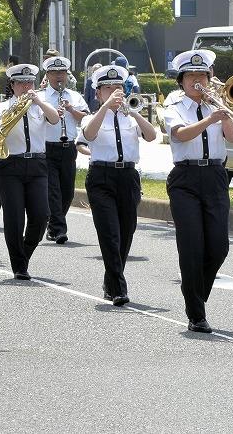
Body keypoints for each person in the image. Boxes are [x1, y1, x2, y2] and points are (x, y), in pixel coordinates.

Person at [162, 49, 233, 333]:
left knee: (219, 247)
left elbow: (232, 136)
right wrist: (209, 119)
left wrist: (224, 113)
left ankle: (196, 297)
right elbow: (180, 134)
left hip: (216, 174)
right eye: (191, 76)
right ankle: (196, 312)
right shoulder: (174, 105)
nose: (198, 81)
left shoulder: (217, 104)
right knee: (192, 245)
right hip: (185, 177)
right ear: (181, 80)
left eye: (203, 75)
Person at [80, 64, 157, 305]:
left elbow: (152, 135)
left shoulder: (131, 116)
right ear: (98, 93)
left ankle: (111, 280)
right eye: (108, 88)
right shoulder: (90, 116)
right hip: (101, 177)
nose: (115, 92)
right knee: (109, 233)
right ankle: (119, 288)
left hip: (128, 177)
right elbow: (89, 135)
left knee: (126, 232)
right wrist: (105, 107)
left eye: (118, 88)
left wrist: (134, 113)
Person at [0, 63, 60, 279]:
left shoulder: (40, 105)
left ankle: (24, 254)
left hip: (37, 164)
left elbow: (54, 119)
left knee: (41, 215)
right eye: (21, 83)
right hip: (10, 165)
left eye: (29, 82)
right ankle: (19, 266)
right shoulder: (2, 107)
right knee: (15, 218)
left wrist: (38, 101)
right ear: (13, 85)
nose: (26, 86)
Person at [40, 55, 89, 244]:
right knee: (53, 190)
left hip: (68, 147)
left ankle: (53, 224)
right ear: (48, 74)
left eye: (62, 73)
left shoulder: (75, 96)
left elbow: (84, 119)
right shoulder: (41, 96)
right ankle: (59, 229)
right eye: (54, 73)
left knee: (67, 191)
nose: (59, 76)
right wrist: (52, 113)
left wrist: (70, 109)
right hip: (47, 147)